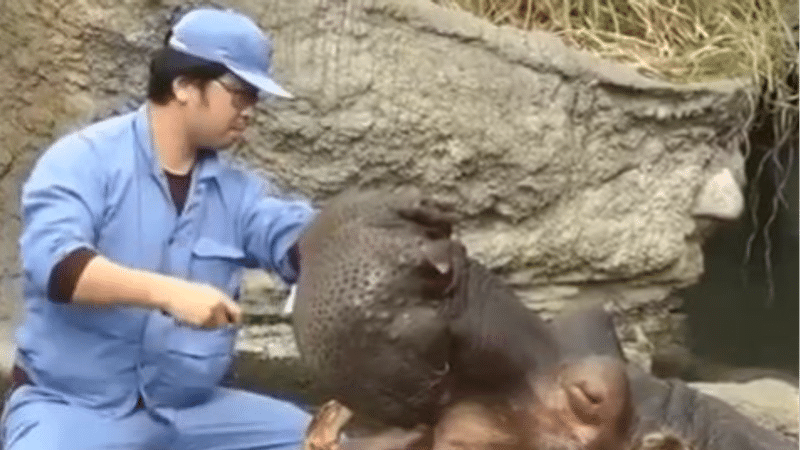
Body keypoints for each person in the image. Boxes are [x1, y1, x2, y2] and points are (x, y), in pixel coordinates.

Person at [1, 7, 317, 449]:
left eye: (255, 98)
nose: (250, 110)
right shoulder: (83, 159)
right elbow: (56, 267)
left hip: (192, 413)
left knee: (323, 441)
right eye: (240, 93)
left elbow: (295, 241)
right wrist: (170, 293)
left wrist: (356, 236)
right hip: (73, 408)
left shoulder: (240, 192)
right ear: (185, 85)